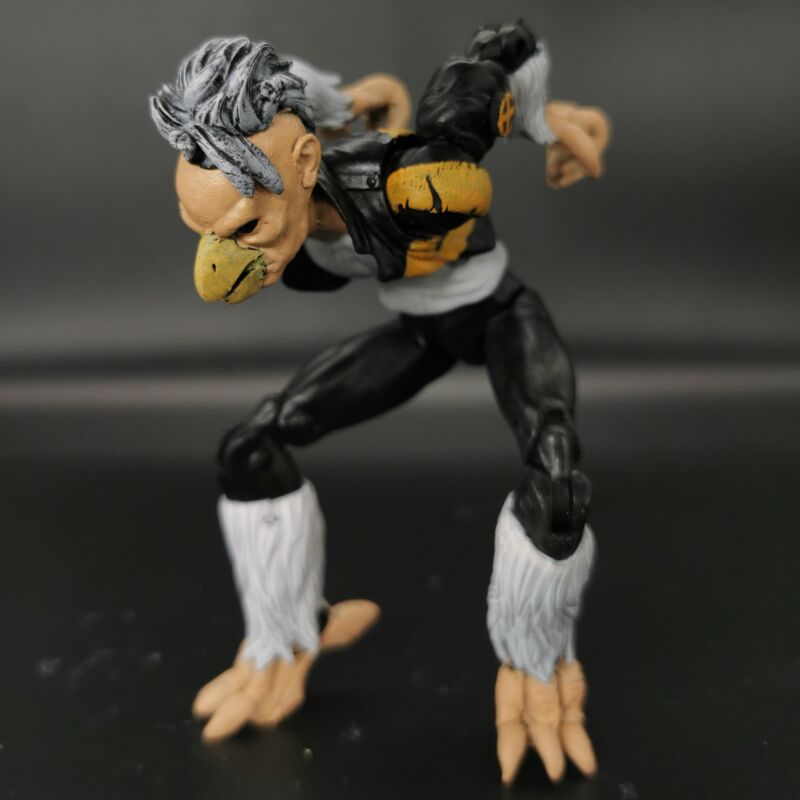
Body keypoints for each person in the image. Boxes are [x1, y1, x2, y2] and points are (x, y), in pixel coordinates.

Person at [150, 21, 611, 786]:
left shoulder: (417, 181)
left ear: (303, 164)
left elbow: (500, 49)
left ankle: (536, 664)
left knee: (557, 476)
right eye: (201, 227)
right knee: (251, 447)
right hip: (419, 332)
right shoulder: (284, 165)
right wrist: (345, 103)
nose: (220, 259)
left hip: (500, 315)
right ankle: (287, 637)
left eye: (244, 228)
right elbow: (294, 86)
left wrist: (538, 117)